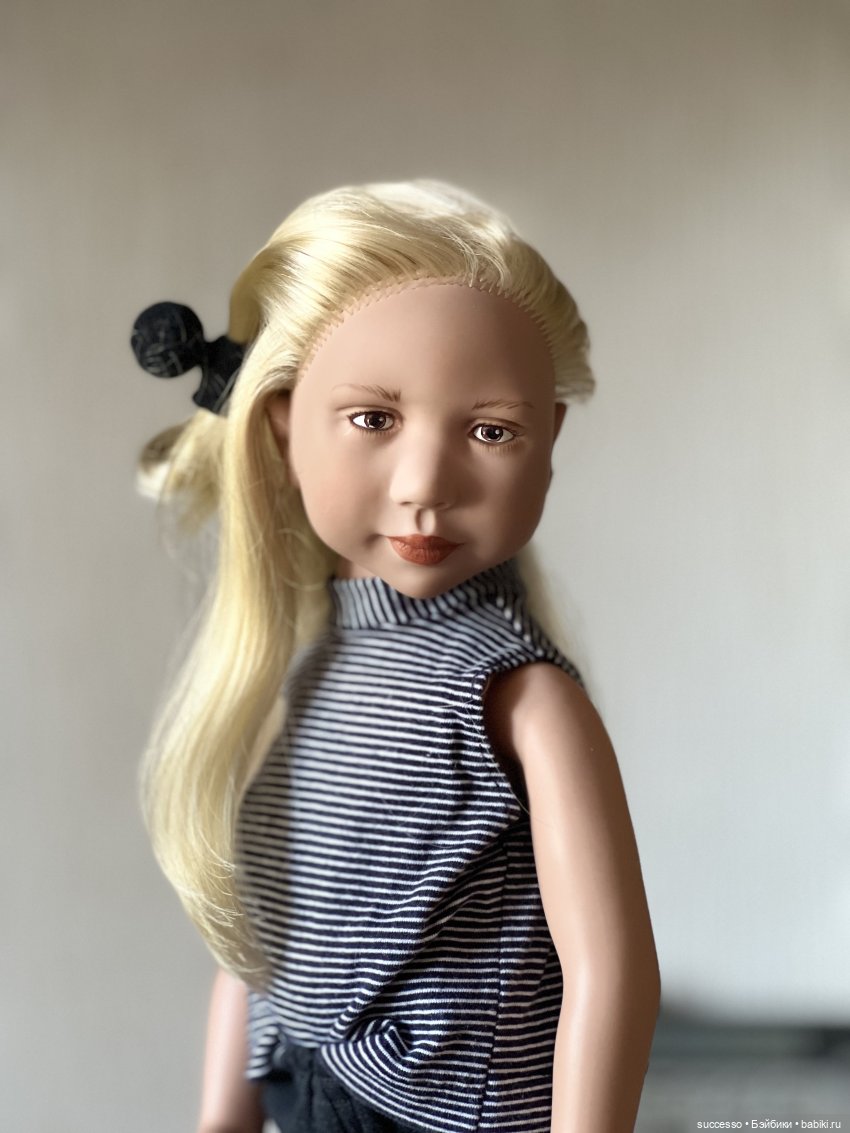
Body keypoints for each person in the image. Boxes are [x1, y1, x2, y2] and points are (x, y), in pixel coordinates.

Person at [133, 180, 660, 1133]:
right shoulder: (306, 671)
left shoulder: (519, 695)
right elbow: (266, 931)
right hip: (302, 1090)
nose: (425, 484)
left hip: (436, 1110)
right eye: (374, 419)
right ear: (284, 422)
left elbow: (611, 970)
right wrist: (223, 1113)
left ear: (549, 439)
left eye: (491, 430)